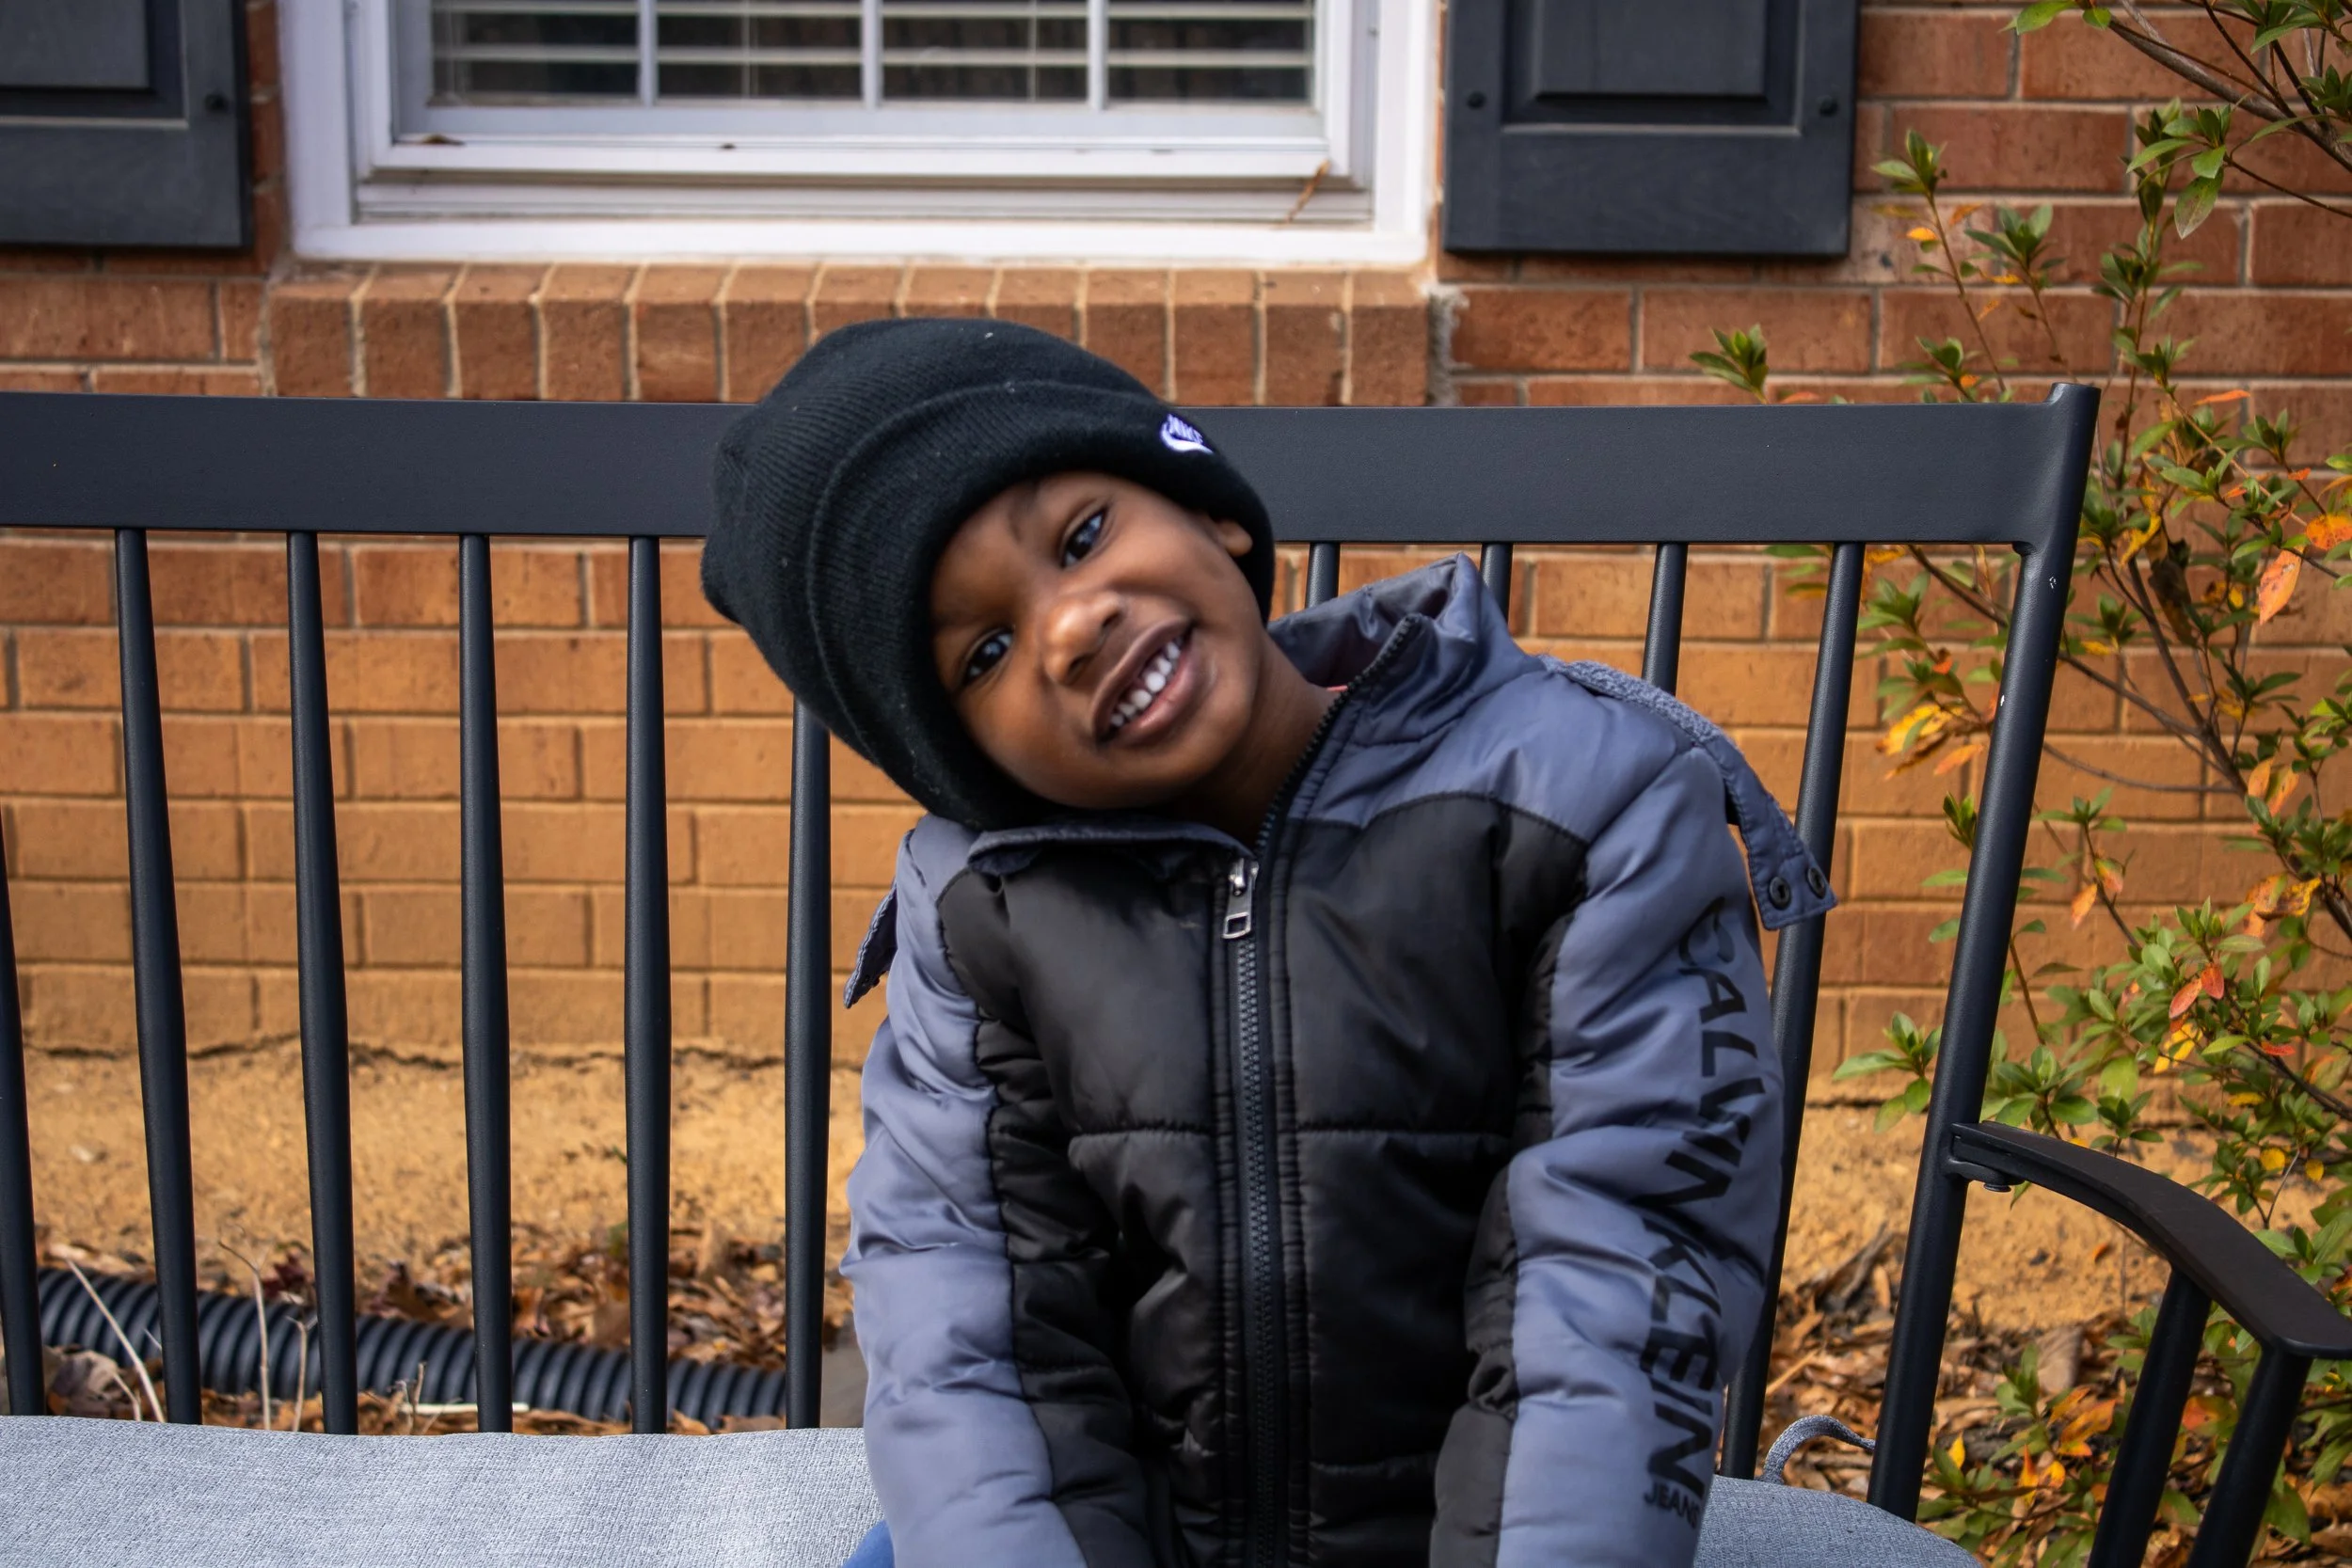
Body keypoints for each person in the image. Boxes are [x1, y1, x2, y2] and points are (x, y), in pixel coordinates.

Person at [700, 317, 1831, 1568]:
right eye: (986, 652)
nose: (1072, 626)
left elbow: (1619, 1281)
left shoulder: (1584, 801)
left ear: (1212, 513)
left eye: (1081, 536)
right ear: (968, 763)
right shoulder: (985, 906)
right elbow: (973, 1325)